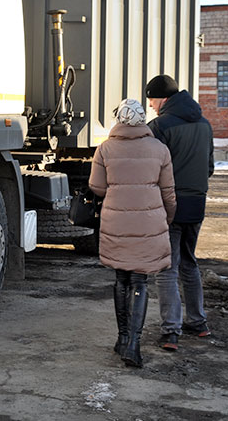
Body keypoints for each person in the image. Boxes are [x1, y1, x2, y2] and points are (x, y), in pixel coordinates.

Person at [89, 98, 176, 368]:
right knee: (140, 282)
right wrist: (166, 217)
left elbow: (97, 187)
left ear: (119, 119)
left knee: (121, 280)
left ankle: (122, 337)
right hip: (149, 223)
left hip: (116, 220)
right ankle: (133, 345)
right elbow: (168, 193)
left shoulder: (105, 149)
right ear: (142, 119)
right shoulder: (159, 149)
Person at [145, 74, 215, 352]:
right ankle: (198, 322)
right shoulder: (204, 123)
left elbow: (151, 169)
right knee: (189, 262)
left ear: (163, 98)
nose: (150, 104)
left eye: (151, 98)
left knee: (166, 268)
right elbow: (209, 166)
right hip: (197, 204)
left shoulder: (160, 126)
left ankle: (171, 331)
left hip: (169, 205)